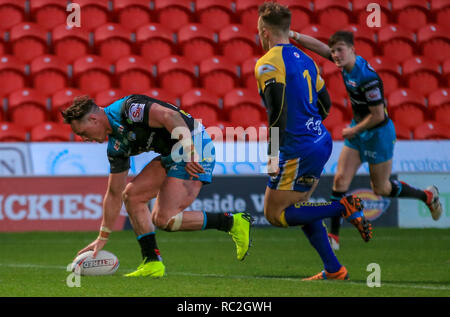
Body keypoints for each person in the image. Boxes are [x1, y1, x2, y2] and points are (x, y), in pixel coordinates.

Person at [62, 94, 253, 277]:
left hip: (195, 146)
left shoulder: (127, 109)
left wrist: (190, 151)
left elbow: (170, 116)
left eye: (83, 133)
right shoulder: (116, 147)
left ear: (94, 120)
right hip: (171, 153)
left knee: (164, 219)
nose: (85, 139)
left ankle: (233, 222)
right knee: (131, 195)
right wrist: (102, 237)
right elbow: (114, 193)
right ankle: (152, 262)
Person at [289, 30, 443, 250]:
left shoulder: (366, 78)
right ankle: (334, 237)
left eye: (340, 50)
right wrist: (294, 34)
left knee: (381, 188)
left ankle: (427, 196)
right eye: (334, 51)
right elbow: (321, 47)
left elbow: (378, 115)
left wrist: (354, 131)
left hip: (378, 134)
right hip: (359, 130)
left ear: (352, 50)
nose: (335, 55)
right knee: (340, 180)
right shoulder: (345, 64)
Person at [254, 2, 372, 281]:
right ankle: (334, 268)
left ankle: (343, 207)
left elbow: (276, 112)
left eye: (258, 31)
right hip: (319, 140)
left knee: (275, 214)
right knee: (301, 207)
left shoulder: (268, 63)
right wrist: (307, 123)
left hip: (297, 148)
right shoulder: (306, 59)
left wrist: (272, 155)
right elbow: (326, 104)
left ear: (265, 31)